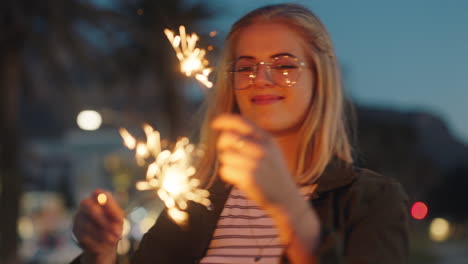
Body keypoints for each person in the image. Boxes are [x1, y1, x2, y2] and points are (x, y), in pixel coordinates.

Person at [71, 3, 409, 264]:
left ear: (320, 79)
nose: (261, 78)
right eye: (245, 67)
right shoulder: (196, 204)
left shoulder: (371, 200)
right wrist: (100, 254)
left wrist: (288, 207)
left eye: (285, 65)